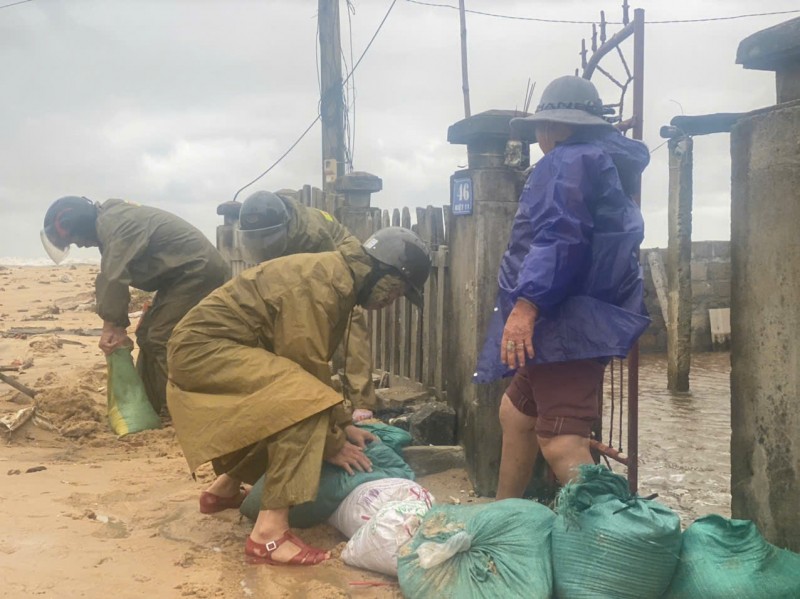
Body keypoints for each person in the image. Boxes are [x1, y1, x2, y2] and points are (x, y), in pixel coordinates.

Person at [166, 226, 431, 566]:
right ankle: (269, 536)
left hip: (211, 347)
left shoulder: (337, 279)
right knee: (301, 405)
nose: (389, 302)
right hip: (204, 351)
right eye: (395, 293)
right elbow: (305, 370)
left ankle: (223, 490)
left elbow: (312, 366)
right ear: (384, 273)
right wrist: (333, 443)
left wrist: (343, 424)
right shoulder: (323, 286)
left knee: (291, 397)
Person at [473, 76, 651, 497]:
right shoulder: (597, 159)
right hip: (573, 318)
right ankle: (506, 519)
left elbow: (559, 238)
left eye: (541, 127)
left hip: (564, 322)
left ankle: (623, 543)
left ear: (555, 127)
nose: (539, 137)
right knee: (516, 413)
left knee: (561, 442)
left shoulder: (566, 162)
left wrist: (527, 305)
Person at [40, 196, 228, 415]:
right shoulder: (111, 222)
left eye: (75, 238)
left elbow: (113, 276)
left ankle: (198, 408)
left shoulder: (115, 224)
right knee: (147, 334)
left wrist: (113, 327)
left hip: (197, 271)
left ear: (79, 223)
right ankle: (151, 405)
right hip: (179, 276)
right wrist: (116, 324)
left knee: (162, 337)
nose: (80, 244)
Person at [236, 189, 377, 421]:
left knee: (350, 317)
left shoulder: (313, 234)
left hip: (339, 251)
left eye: (268, 238)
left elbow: (333, 275)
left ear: (285, 225)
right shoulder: (268, 234)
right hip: (301, 259)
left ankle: (362, 399)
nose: (262, 244)